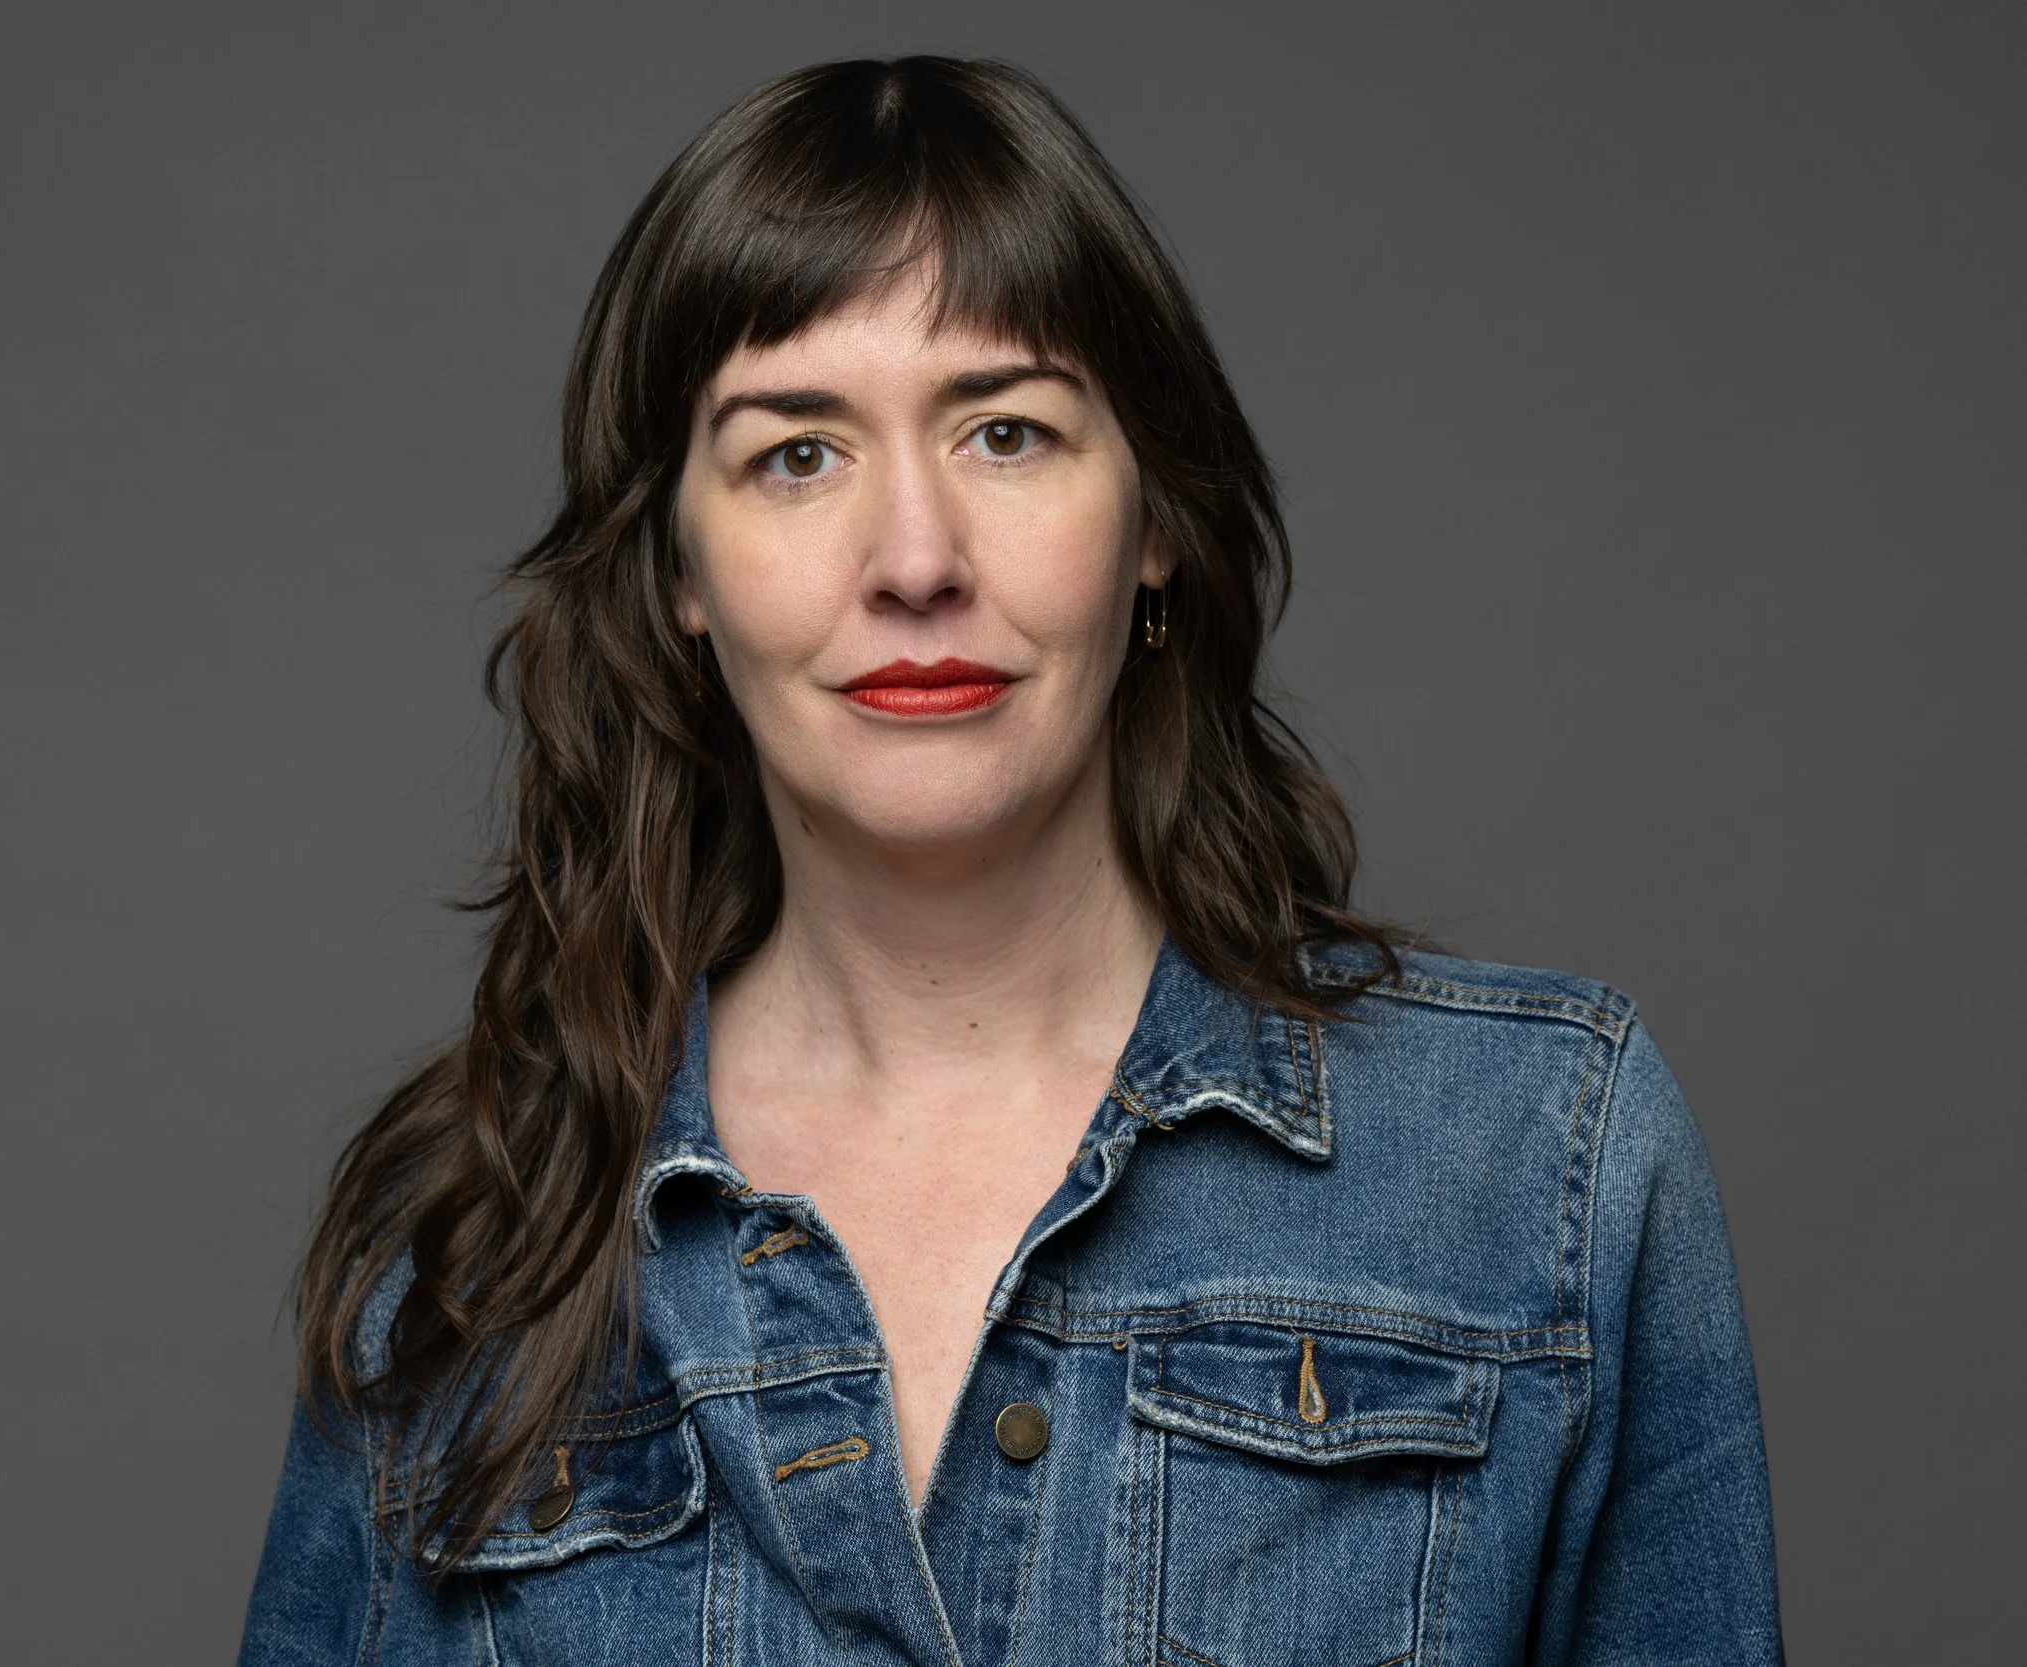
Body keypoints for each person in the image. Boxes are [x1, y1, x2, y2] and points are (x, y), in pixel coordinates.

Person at [237, 55, 1780, 1667]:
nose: (916, 560)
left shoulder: (1545, 1161)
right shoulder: (475, 1244)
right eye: (797, 454)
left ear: (1154, 519)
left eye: (1007, 432)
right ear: (681, 569)